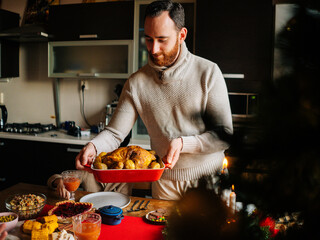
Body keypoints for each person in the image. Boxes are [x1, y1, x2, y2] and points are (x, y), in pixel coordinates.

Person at [63, 0, 232, 200]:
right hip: (163, 185)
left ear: (182, 35)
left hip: (208, 181)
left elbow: (224, 136)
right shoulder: (136, 82)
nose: (153, 49)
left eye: (162, 40)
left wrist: (182, 144)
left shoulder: (208, 72)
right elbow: (115, 133)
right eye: (149, 39)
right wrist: (93, 146)